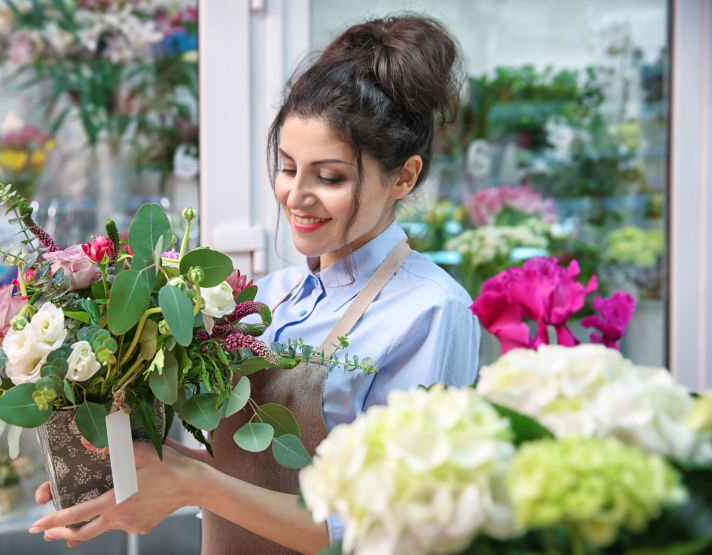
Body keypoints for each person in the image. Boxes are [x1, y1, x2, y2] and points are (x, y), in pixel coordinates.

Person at [29, 15, 479, 554]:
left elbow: (396, 529)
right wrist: (143, 475)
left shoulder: (431, 311)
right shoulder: (269, 297)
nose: (295, 196)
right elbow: (251, 473)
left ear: (404, 176)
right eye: (288, 168)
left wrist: (194, 483)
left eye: (330, 177)